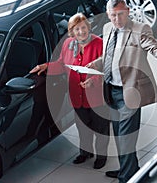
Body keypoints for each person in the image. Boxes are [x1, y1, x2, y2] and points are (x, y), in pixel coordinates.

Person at [88, 0, 157, 182]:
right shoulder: (108, 28)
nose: (116, 20)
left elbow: (155, 47)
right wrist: (94, 64)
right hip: (110, 90)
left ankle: (127, 178)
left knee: (126, 138)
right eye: (112, 16)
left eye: (120, 14)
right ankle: (129, 169)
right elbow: (108, 56)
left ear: (127, 11)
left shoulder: (140, 30)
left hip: (130, 92)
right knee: (119, 136)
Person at [29, 13, 110, 169]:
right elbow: (61, 64)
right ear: (72, 31)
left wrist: (93, 81)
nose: (81, 32)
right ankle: (85, 152)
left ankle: (101, 156)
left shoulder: (99, 44)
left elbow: (106, 68)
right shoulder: (68, 44)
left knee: (101, 129)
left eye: (84, 27)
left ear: (89, 27)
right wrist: (46, 66)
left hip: (96, 97)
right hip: (77, 96)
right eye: (77, 29)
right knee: (83, 127)